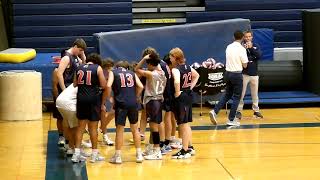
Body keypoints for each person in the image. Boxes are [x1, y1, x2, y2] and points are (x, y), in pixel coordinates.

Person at [106, 61, 144, 164]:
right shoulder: (132, 73)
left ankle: (118, 157)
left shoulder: (113, 72)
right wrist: (135, 96)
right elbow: (140, 86)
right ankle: (139, 155)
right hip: (132, 104)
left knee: (119, 130)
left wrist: (109, 97)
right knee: (135, 130)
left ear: (117, 67)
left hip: (121, 104)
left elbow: (108, 85)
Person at [71, 53, 106, 163]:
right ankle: (94, 154)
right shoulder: (98, 68)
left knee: (80, 127)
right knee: (93, 128)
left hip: (81, 99)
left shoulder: (79, 67)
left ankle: (76, 154)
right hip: (93, 100)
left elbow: (74, 84)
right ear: (96, 61)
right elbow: (104, 85)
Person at [209, 30, 248, 126]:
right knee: (236, 97)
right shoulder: (241, 49)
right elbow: (245, 65)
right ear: (242, 37)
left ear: (234, 37)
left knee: (227, 95)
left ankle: (214, 111)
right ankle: (231, 119)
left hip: (227, 73)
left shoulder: (228, 47)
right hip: (236, 74)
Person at [135, 52, 167, 160]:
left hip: (152, 101)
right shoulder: (162, 73)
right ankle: (154, 149)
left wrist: (144, 59)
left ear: (151, 64)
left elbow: (137, 69)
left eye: (148, 64)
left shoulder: (151, 74)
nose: (147, 67)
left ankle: (157, 151)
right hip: (159, 100)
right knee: (155, 127)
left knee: (154, 128)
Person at [170, 47, 199, 159]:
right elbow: (197, 76)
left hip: (181, 98)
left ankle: (185, 150)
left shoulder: (175, 69)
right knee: (186, 123)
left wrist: (177, 92)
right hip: (188, 95)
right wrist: (190, 87)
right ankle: (190, 147)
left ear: (175, 57)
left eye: (171, 56)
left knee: (183, 124)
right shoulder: (188, 67)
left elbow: (177, 81)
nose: (170, 58)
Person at [236, 30, 263, 119]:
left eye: (249, 36)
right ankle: (239, 111)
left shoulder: (255, 45)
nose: (247, 38)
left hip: (254, 74)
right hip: (244, 74)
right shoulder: (240, 47)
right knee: (241, 94)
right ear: (243, 37)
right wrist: (252, 57)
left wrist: (251, 48)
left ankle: (256, 111)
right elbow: (242, 58)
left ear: (252, 37)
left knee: (255, 94)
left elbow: (259, 56)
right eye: (246, 36)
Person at [100, 58, 115, 146]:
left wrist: (110, 96)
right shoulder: (100, 72)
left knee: (106, 113)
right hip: (95, 95)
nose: (111, 69)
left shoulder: (111, 73)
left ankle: (104, 133)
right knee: (90, 120)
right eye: (110, 67)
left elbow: (109, 87)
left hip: (104, 95)